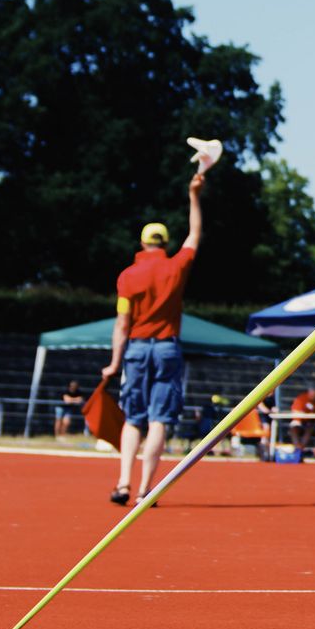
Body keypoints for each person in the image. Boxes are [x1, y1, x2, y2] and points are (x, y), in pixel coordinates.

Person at [101, 171, 204, 505]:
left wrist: (114, 362)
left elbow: (121, 323)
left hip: (137, 348)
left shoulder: (127, 277)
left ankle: (122, 484)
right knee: (159, 418)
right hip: (167, 348)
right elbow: (195, 235)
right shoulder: (175, 267)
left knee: (133, 418)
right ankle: (147, 489)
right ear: (164, 243)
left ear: (142, 243)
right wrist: (193, 195)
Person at [290, 385, 315, 461]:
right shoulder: (301, 398)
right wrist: (305, 415)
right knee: (294, 429)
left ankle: (300, 449)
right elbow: (295, 412)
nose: (313, 395)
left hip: (313, 423)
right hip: (300, 421)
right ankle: (298, 449)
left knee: (310, 429)